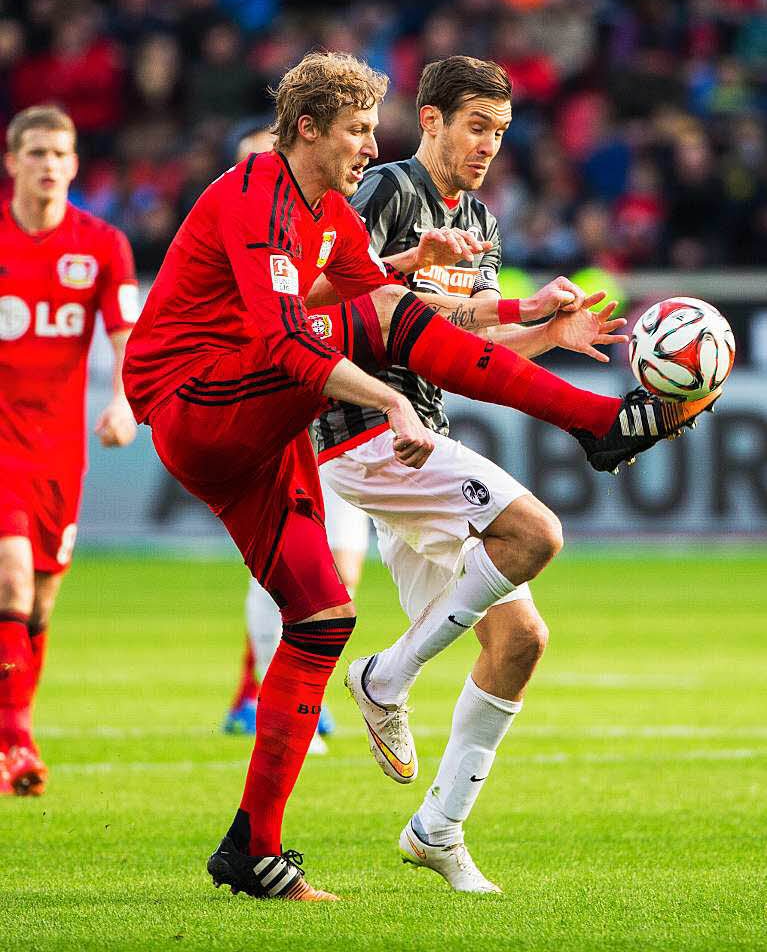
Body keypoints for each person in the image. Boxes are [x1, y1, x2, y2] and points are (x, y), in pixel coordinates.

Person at [123, 51, 714, 902]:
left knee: (323, 618)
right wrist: (391, 405)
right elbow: (295, 340)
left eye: (373, 130)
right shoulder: (256, 192)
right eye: (358, 131)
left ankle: (253, 851)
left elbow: (401, 305)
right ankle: (600, 425)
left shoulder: (331, 212)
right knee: (407, 364)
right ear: (307, 130)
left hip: (264, 432)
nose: (370, 147)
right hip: (196, 401)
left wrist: (514, 308)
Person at [315, 56, 717, 892]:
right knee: (534, 532)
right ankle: (382, 677)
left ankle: (437, 829)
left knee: (520, 640)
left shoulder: (486, 226)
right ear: (429, 120)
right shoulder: (384, 193)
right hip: (359, 424)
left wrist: (546, 334)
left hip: (422, 438)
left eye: (499, 132)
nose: (488, 146)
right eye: (474, 127)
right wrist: (495, 309)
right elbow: (326, 296)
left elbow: (472, 345)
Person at [0, 105, 138, 797]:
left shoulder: (103, 244)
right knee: (12, 580)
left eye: (60, 153)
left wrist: (123, 399)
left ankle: (14, 725)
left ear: (75, 164)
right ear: (12, 161)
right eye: (35, 153)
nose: (48, 165)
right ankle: (15, 742)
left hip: (58, 452)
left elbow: (125, 336)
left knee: (41, 604)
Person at [222, 124, 370, 747]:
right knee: (288, 564)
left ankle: (273, 690)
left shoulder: (322, 225)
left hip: (326, 408)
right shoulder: (241, 234)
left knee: (343, 569)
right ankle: (267, 698)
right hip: (272, 408)